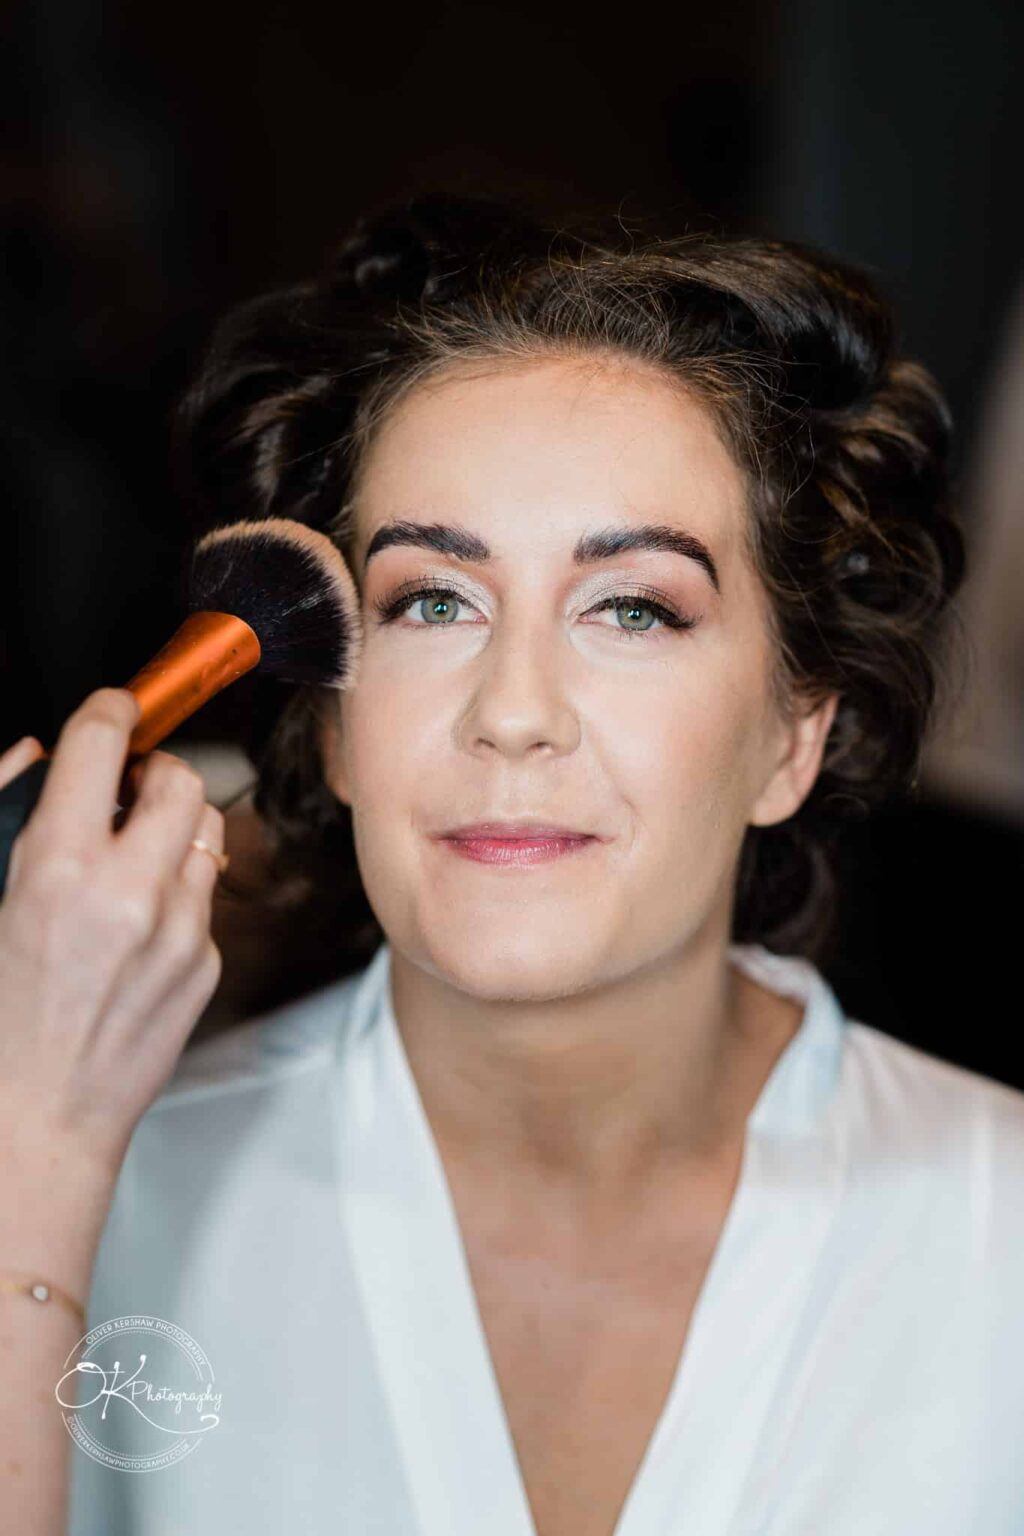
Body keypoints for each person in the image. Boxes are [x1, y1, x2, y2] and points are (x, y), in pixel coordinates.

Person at [2, 194, 1022, 1536]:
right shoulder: (94, 1187)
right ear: (335, 726)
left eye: (632, 608)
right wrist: (36, 1148)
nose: (514, 710)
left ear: (792, 732)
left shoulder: (993, 1225)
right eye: (432, 600)